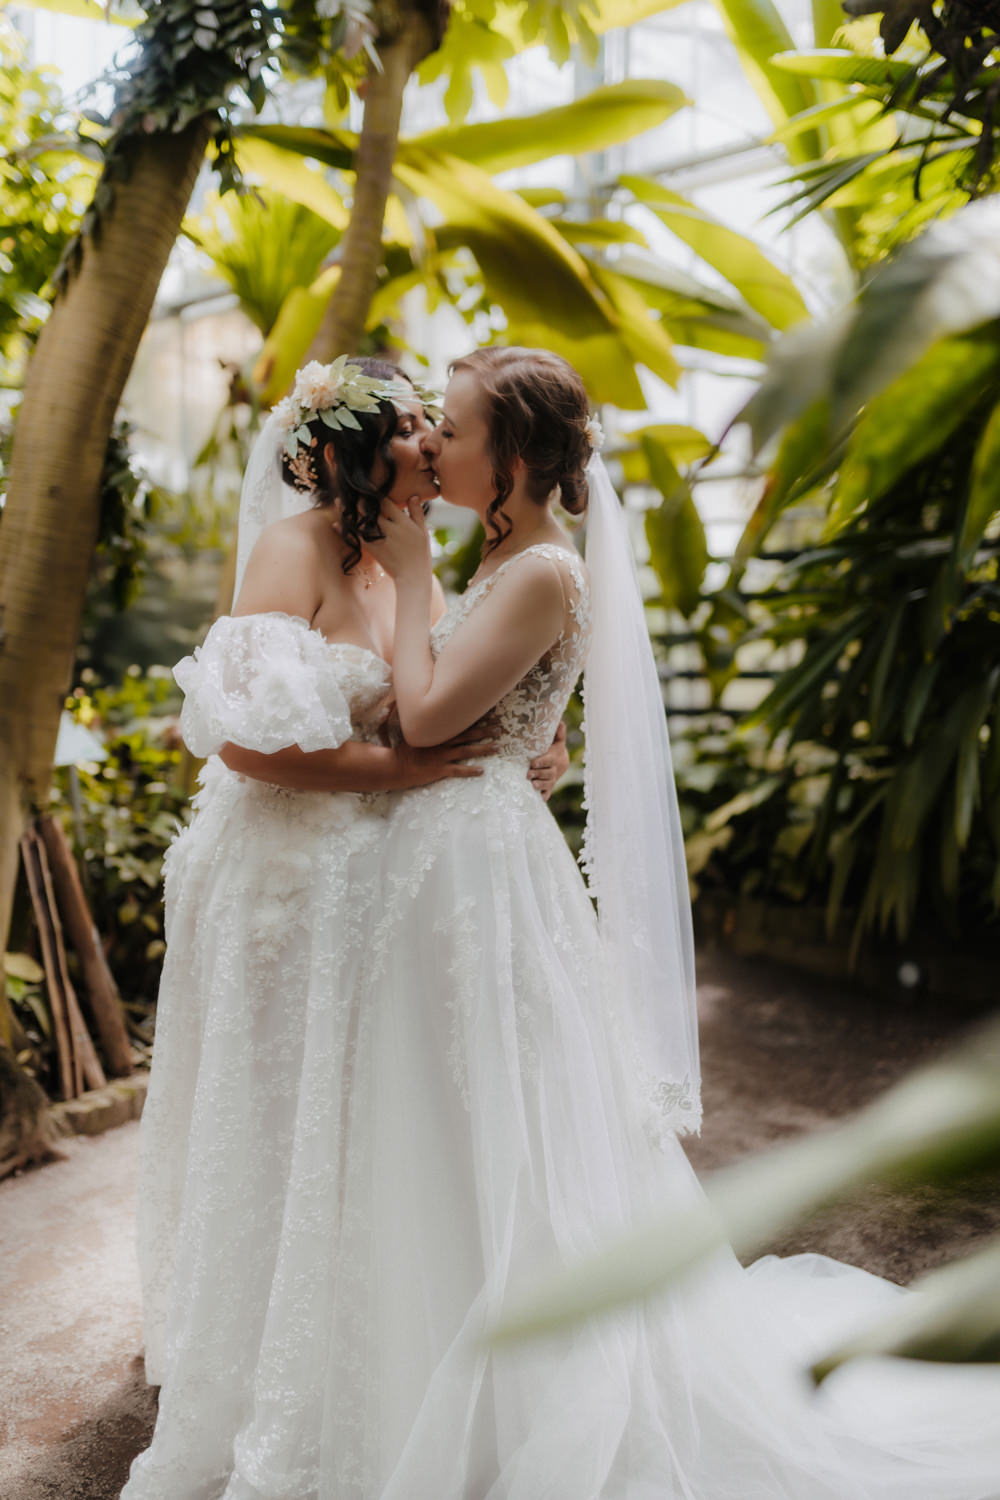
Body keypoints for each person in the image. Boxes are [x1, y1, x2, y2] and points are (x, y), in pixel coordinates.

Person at [119, 356, 567, 1500]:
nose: (431, 444)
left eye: (439, 425)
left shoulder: (412, 557)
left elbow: (448, 693)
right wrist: (405, 772)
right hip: (279, 878)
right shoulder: (294, 549)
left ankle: (348, 1344)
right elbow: (244, 742)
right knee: (276, 1116)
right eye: (415, 426)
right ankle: (258, 1355)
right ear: (355, 449)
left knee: (346, 1120)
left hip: (364, 878)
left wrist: (534, 744)